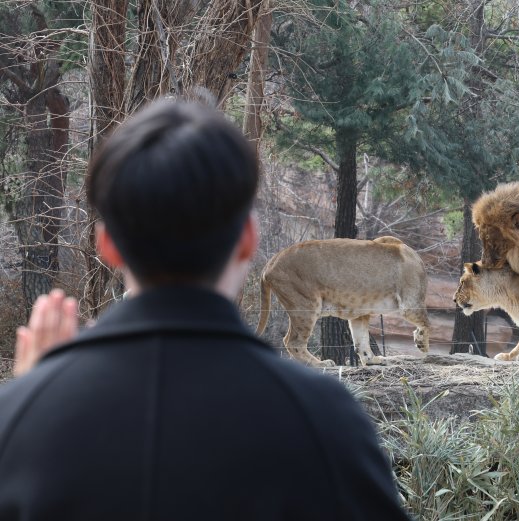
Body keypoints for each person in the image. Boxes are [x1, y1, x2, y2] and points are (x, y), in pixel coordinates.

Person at [0, 99, 411, 520]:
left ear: (107, 245)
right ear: (248, 240)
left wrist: (34, 405)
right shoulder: (325, 417)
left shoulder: (20, 419)